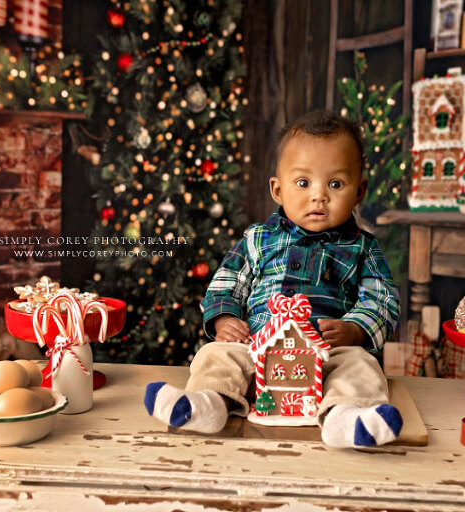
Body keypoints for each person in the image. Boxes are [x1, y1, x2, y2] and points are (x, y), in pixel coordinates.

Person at [144, 110, 402, 448]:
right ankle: (211, 403)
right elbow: (226, 281)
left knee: (361, 366)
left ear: (359, 191)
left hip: (328, 352)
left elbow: (381, 299)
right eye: (303, 182)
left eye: (335, 184)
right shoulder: (258, 239)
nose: (318, 196)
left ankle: (345, 417)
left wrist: (354, 328)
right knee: (215, 355)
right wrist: (224, 317)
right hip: (257, 344)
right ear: (278, 190)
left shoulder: (362, 247)